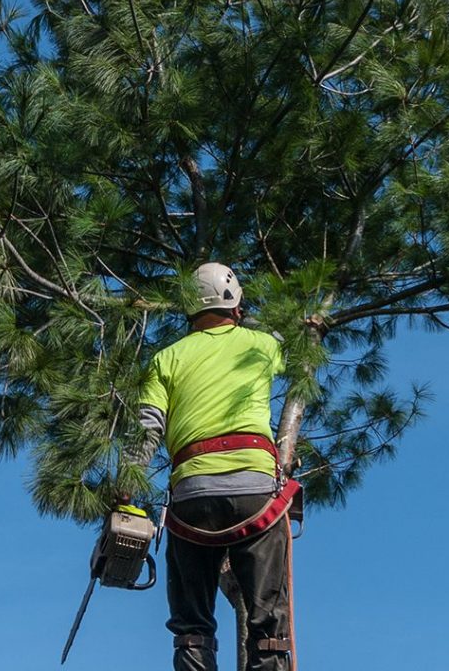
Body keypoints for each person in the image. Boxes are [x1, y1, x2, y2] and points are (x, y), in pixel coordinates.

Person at [121, 262, 294, 671]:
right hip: (256, 492)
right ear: (236, 305)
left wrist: (125, 486)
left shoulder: (166, 358)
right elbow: (298, 344)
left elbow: (148, 428)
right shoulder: (261, 344)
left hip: (192, 495)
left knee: (193, 627)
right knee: (267, 624)